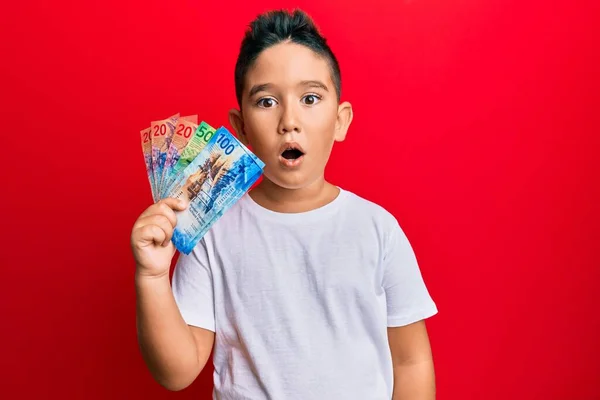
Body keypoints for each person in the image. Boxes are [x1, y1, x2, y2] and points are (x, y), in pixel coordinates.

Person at [131, 8, 438, 400]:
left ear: (341, 120)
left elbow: (411, 361)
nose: (289, 120)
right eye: (266, 102)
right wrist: (152, 277)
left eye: (310, 98)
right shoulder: (212, 230)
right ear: (240, 127)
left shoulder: (378, 229)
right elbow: (176, 371)